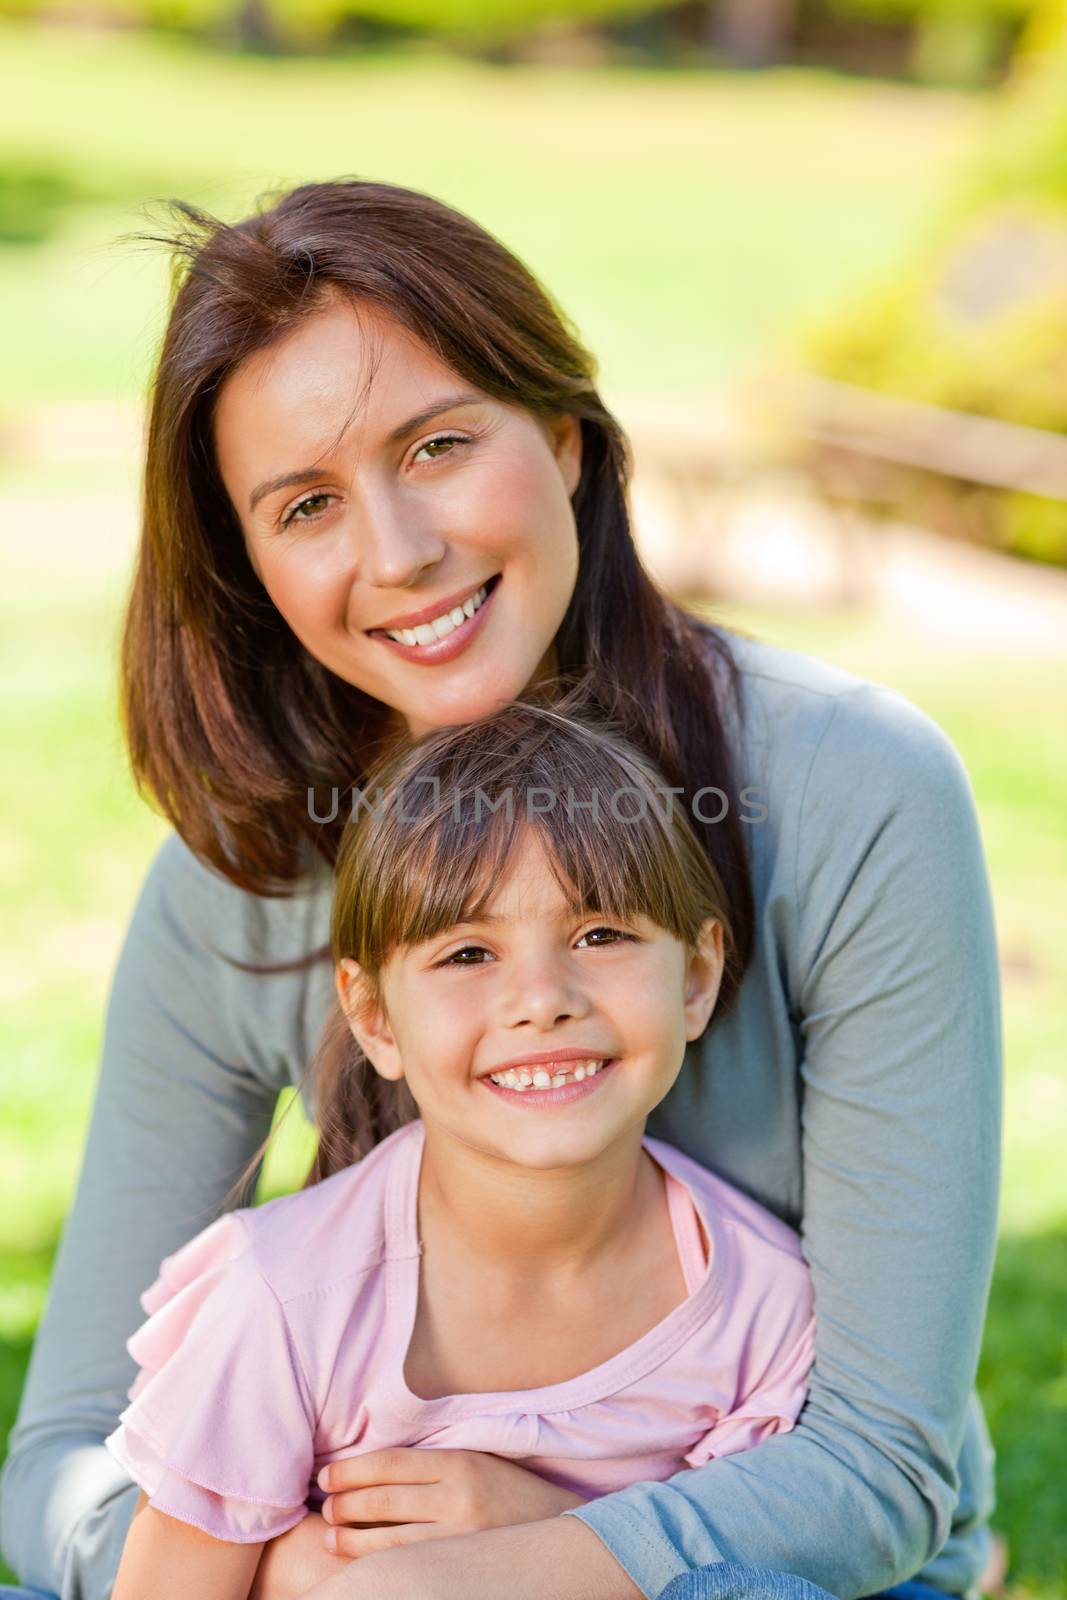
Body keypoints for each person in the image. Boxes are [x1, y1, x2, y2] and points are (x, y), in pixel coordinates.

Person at [0, 178, 1001, 1600]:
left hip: (757, 1564)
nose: (398, 553)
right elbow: (67, 1460)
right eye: (306, 507)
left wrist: (518, 1553)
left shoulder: (850, 790)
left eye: (439, 445)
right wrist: (293, 1570)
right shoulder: (243, 882)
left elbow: (875, 1464)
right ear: (249, 570)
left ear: (566, 439)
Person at [103, 696, 819, 1600]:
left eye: (600, 935)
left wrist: (546, 1531)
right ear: (373, 1018)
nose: (541, 999)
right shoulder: (286, 1296)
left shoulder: (760, 1300)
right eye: (468, 954)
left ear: (696, 978)